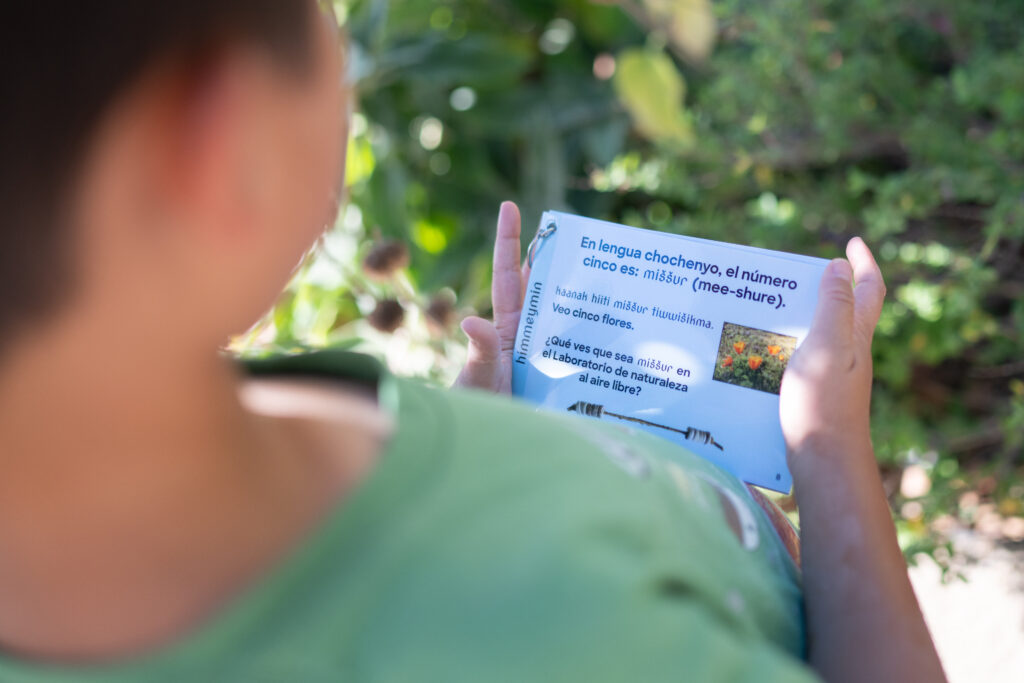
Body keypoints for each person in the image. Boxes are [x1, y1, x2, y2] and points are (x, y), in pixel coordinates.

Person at [0, 1, 945, 681]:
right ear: (219, 150)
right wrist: (827, 448)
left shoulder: (295, 421)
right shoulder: (569, 634)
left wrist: (478, 435)